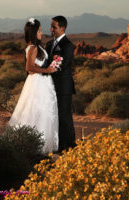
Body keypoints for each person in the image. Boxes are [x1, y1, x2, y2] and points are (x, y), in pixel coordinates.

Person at [8, 18, 59, 155]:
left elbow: (34, 66)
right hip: (37, 83)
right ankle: (34, 145)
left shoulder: (37, 46)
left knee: (44, 112)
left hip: (42, 82)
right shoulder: (33, 47)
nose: (41, 33)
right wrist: (47, 70)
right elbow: (29, 68)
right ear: (34, 32)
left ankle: (41, 144)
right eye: (40, 30)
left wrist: (49, 67)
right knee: (36, 111)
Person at [44, 15, 77, 153]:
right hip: (50, 86)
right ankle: (58, 144)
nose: (51, 29)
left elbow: (61, 65)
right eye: (51, 26)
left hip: (63, 87)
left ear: (62, 28)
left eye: (54, 27)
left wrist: (46, 72)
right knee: (53, 115)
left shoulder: (68, 46)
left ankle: (69, 145)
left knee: (64, 116)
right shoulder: (49, 44)